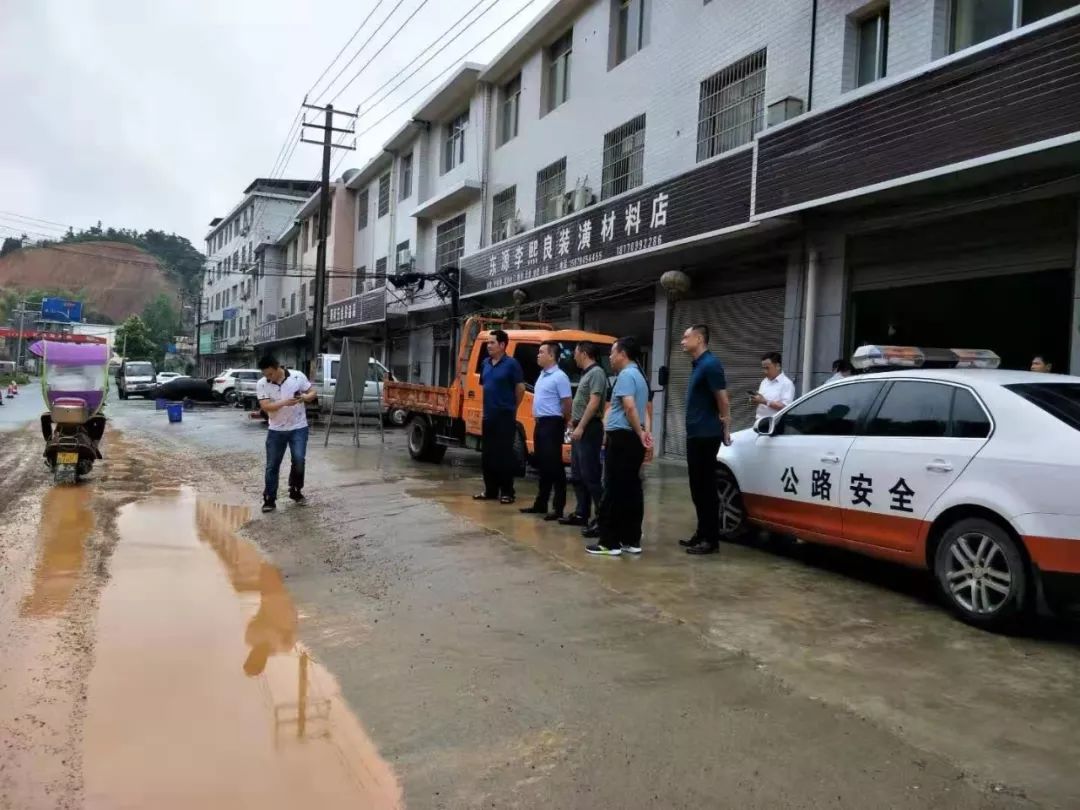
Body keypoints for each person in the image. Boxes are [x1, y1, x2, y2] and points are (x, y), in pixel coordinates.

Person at [588, 336, 651, 558]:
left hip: (623, 439)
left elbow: (630, 407)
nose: (611, 357)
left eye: (613, 353)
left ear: (623, 354)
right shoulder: (640, 375)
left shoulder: (626, 375)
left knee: (613, 490)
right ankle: (630, 539)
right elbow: (644, 410)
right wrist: (644, 432)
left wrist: (638, 431)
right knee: (631, 490)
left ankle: (609, 542)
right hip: (632, 438)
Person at [678, 325, 732, 556]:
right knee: (697, 487)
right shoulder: (699, 365)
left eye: (686, 337)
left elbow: (723, 399)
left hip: (707, 435)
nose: (682, 341)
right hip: (695, 434)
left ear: (699, 339)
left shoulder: (711, 364)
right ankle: (702, 532)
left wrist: (726, 428)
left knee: (706, 488)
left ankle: (711, 539)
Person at [256, 354, 316, 513]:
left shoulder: (297, 376)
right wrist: (285, 402)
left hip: (299, 427)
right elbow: (266, 406)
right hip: (276, 429)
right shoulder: (262, 384)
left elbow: (312, 393)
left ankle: (295, 490)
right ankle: (269, 498)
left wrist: (304, 397)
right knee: (272, 465)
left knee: (299, 460)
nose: (268, 378)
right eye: (265, 375)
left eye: (270, 374)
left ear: (278, 368)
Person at [521, 341, 572, 520]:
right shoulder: (542, 375)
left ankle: (558, 508)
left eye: (541, 352)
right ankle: (540, 504)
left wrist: (566, 421)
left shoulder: (560, 377)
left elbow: (567, 403)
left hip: (553, 423)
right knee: (543, 465)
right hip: (540, 423)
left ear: (551, 355)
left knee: (554, 466)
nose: (538, 355)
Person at [560, 341, 607, 530]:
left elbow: (594, 403)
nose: (574, 356)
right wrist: (574, 422)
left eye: (576, 352)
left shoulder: (597, 373)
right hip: (580, 426)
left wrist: (581, 426)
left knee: (591, 475)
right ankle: (581, 512)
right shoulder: (586, 373)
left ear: (585, 353)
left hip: (589, 428)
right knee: (578, 473)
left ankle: (602, 518)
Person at [474, 329, 524, 504]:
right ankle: (490, 490)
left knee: (504, 455)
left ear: (502, 345)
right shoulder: (485, 363)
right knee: (488, 455)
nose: (488, 346)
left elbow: (520, 389)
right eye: (488, 342)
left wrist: (512, 408)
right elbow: (486, 387)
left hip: (505, 416)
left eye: (492, 342)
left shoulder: (512, 364)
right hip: (489, 416)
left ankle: (507, 492)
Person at [751, 351, 796, 421]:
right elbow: (762, 402)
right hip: (759, 421)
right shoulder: (764, 381)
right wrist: (756, 400)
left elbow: (786, 407)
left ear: (778, 366)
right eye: (763, 368)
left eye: (767, 368)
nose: (765, 371)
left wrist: (765, 401)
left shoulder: (787, 383)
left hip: (775, 425)